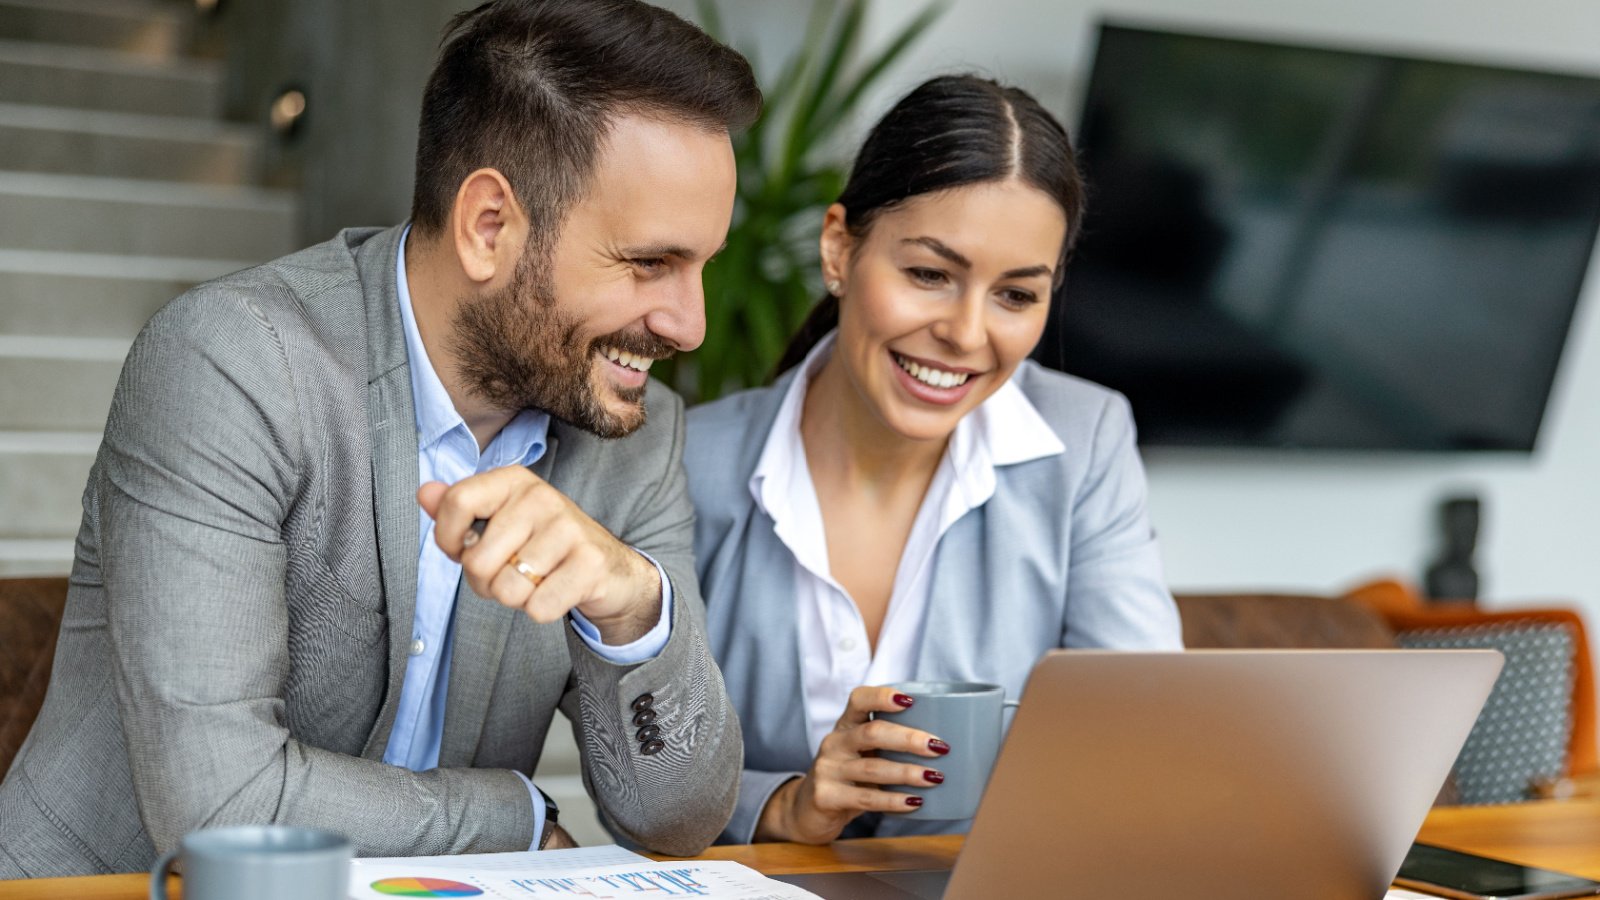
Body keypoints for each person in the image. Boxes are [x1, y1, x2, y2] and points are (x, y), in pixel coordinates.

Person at [0, 0, 761, 878]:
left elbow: (678, 818)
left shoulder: (635, 429)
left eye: (703, 265)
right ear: (489, 226)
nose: (692, 325)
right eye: (649, 264)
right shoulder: (233, 361)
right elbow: (221, 809)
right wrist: (512, 814)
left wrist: (633, 607)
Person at [685, 74, 1183, 846]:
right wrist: (786, 802)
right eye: (929, 275)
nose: (965, 333)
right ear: (838, 249)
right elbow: (636, 761)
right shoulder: (688, 463)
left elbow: (1143, 727)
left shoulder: (1085, 442)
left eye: (1016, 296)